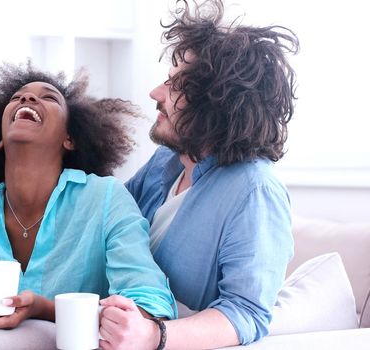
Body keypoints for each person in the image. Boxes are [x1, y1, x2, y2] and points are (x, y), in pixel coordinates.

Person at [0, 62, 176, 330]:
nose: (27, 100)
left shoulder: (104, 199)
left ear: (70, 138)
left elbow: (150, 307)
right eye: (18, 97)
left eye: (48, 98)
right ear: (0, 138)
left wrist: (46, 310)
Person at [99, 0, 299, 349]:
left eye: (176, 87)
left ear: (218, 105)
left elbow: (247, 313)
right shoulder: (165, 162)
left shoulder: (255, 191)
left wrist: (151, 335)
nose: (155, 94)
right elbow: (104, 224)